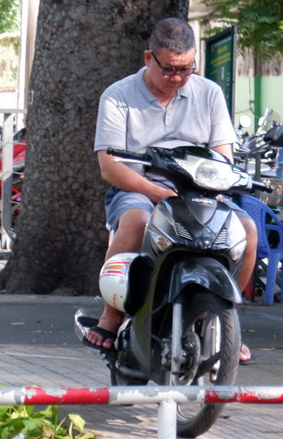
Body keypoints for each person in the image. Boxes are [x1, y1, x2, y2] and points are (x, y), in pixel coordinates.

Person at [86, 18, 257, 362]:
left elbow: (223, 153)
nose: (178, 78)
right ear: (149, 57)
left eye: (186, 69)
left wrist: (213, 185)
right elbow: (109, 166)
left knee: (248, 231)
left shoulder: (208, 93)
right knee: (135, 223)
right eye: (169, 70)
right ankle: (111, 315)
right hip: (138, 186)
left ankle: (223, 320)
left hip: (200, 188)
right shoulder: (118, 95)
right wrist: (156, 193)